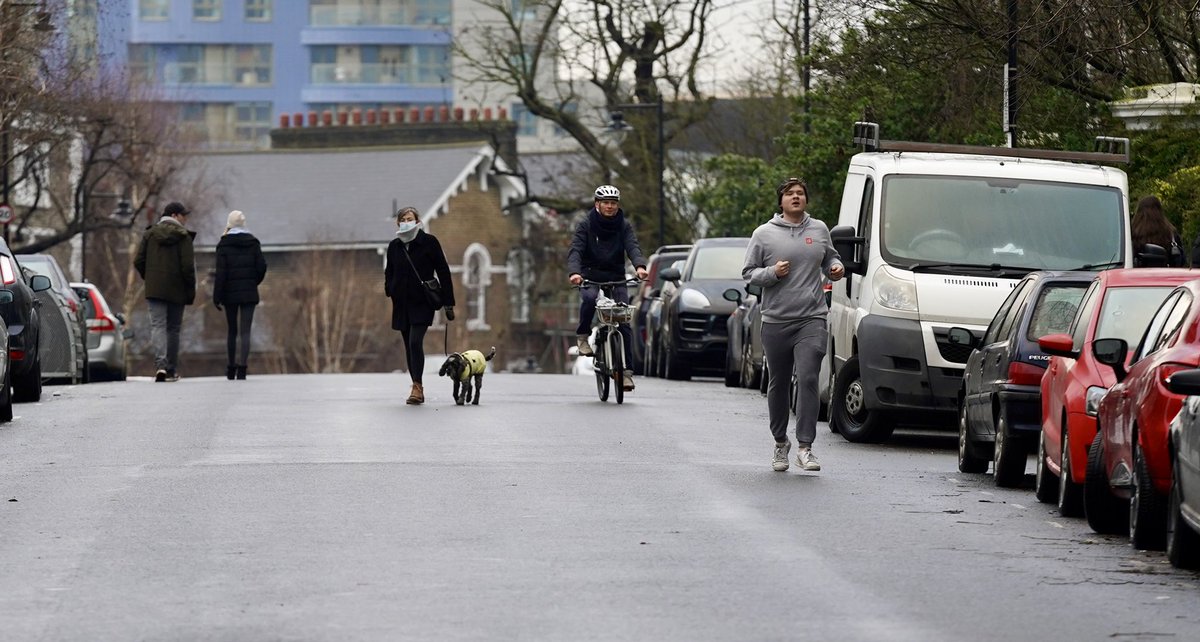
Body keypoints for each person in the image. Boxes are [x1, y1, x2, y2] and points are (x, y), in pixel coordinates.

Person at [742, 178, 844, 472]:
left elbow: (831, 258)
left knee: (809, 377)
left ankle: (805, 447)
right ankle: (779, 442)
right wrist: (772, 272)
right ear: (781, 201)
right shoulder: (763, 234)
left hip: (811, 317)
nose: (796, 197)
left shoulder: (819, 229)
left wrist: (835, 269)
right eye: (790, 194)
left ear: (806, 200)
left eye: (801, 193)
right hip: (776, 319)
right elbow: (748, 273)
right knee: (779, 383)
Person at [567, 185, 649, 391]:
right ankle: (583, 336)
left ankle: (627, 373)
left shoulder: (624, 225)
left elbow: (632, 246)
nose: (610, 207)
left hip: (615, 275)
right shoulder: (585, 224)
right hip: (589, 274)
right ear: (597, 204)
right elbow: (576, 250)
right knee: (588, 299)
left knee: (624, 320)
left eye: (613, 203)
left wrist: (640, 266)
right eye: (606, 203)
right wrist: (575, 273)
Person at [384, 207, 455, 405]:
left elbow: (443, 270)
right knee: (408, 345)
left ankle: (417, 386)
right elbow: (389, 270)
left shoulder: (429, 242)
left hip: (422, 302)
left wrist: (448, 302)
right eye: (403, 219)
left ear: (417, 221)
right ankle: (416, 386)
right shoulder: (394, 246)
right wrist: (389, 289)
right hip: (401, 303)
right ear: (398, 223)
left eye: (410, 219)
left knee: (415, 342)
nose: (407, 222)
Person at [134, 201, 197, 382]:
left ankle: (160, 365)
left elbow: (139, 260)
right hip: (177, 289)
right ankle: (170, 369)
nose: (185, 219)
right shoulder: (184, 237)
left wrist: (151, 277)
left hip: (155, 289)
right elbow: (187, 267)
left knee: (158, 326)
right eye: (184, 215)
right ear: (175, 216)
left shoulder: (149, 234)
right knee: (174, 329)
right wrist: (190, 288)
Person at [213, 210, 268, 380]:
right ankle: (243, 368)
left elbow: (220, 273)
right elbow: (262, 267)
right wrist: (253, 282)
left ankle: (231, 368)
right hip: (249, 292)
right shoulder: (253, 243)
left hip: (230, 293)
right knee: (245, 331)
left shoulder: (223, 245)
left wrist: (217, 295)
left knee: (232, 331)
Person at [1131, 195, 1185, 267]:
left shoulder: (1132, 233)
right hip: (1165, 275)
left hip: (1137, 275)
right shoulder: (1170, 233)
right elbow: (1181, 259)